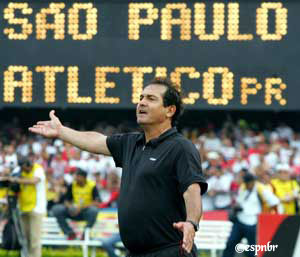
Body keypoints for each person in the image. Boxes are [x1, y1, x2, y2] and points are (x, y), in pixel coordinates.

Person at [29, 77, 208, 257]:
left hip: (170, 251)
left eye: (151, 99)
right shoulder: (132, 143)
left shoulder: (181, 147)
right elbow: (96, 141)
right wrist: (62, 132)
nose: (142, 103)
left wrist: (191, 223)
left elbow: (191, 189)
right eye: (141, 98)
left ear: (170, 110)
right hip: (134, 253)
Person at [222, 173, 279, 257]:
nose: (247, 184)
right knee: (230, 244)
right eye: (246, 183)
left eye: (248, 183)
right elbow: (239, 201)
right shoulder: (243, 187)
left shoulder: (261, 189)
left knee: (252, 250)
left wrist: (266, 214)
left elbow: (275, 202)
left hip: (253, 223)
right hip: (240, 220)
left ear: (253, 182)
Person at [9, 155, 47, 257]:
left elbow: (34, 181)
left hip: (36, 208)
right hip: (22, 208)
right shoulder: (19, 170)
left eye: (27, 167)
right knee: (25, 239)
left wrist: (17, 180)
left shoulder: (38, 169)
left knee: (34, 240)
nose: (26, 170)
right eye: (23, 168)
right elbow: (11, 181)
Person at [51, 168, 100, 239]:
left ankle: (85, 234)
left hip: (85, 211)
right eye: (75, 176)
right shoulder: (72, 185)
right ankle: (69, 233)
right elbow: (66, 200)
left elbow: (96, 202)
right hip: (73, 210)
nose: (75, 178)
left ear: (84, 177)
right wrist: (70, 207)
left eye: (77, 176)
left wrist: (81, 208)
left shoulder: (92, 185)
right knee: (57, 209)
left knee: (94, 210)